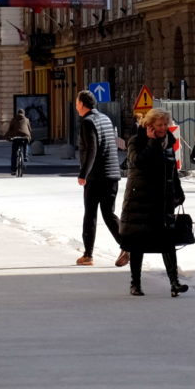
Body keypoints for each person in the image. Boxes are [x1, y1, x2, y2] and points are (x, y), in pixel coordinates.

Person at [119, 108, 188, 297]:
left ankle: (174, 283)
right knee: (137, 243)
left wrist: (178, 192)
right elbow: (136, 161)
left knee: (167, 241)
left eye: (166, 124)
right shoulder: (137, 141)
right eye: (159, 125)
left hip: (162, 200)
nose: (164, 128)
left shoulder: (169, 143)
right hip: (140, 200)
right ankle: (135, 284)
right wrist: (151, 142)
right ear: (150, 126)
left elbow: (172, 171)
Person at [74, 90, 125, 268]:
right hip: (112, 174)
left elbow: (92, 150)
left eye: (76, 101)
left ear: (81, 104)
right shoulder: (106, 118)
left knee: (90, 215)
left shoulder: (87, 122)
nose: (75, 105)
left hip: (96, 176)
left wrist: (83, 174)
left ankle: (88, 255)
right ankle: (127, 246)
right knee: (109, 213)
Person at [6, 104, 32, 176]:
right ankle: (25, 156)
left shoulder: (14, 119)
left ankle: (13, 170)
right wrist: (29, 136)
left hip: (16, 138)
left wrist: (7, 137)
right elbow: (30, 129)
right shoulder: (27, 120)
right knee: (26, 144)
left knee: (14, 154)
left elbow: (10, 129)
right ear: (24, 114)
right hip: (25, 137)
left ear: (17, 113)